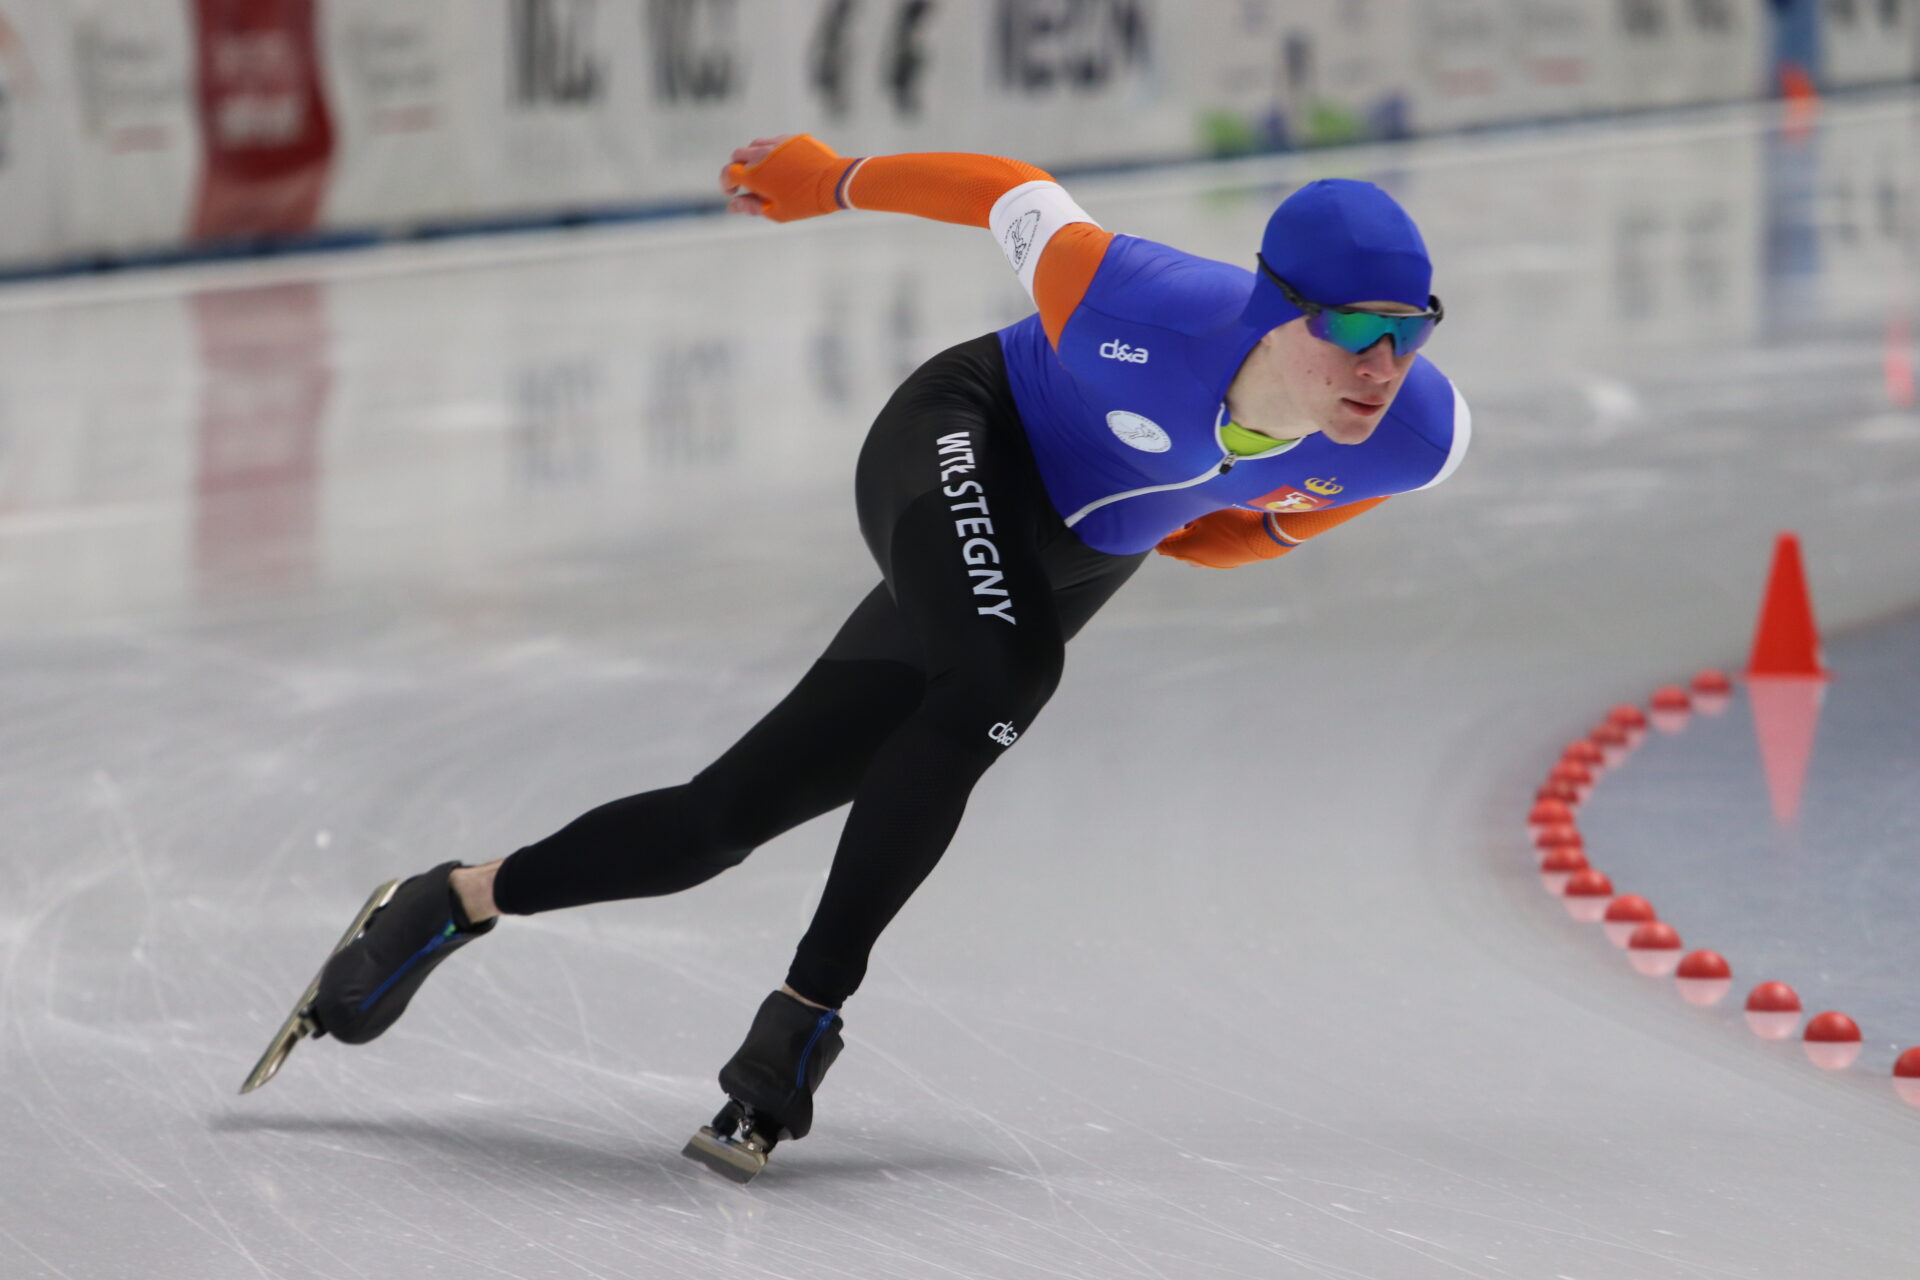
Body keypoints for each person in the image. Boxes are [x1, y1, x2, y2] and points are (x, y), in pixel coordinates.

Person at [246, 133, 1469, 1179]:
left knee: (718, 821)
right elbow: (1008, 190)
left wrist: (1245, 536)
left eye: (1407, 333)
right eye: (1353, 329)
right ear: (1273, 306)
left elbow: (1293, 516)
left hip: (1074, 556)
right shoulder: (1132, 299)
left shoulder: (1416, 432)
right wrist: (828, 177)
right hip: (965, 434)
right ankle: (802, 1017)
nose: (1380, 366)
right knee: (1000, 679)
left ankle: (451, 897)